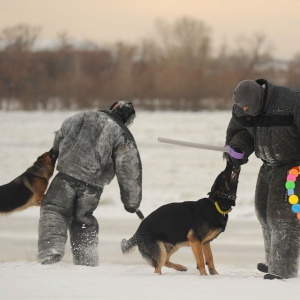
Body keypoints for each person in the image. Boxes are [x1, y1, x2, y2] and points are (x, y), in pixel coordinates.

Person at [38, 101, 142, 266]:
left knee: (54, 211)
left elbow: (60, 135)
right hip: (92, 187)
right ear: (128, 119)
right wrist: (131, 202)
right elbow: (129, 169)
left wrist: (55, 155)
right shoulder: (123, 135)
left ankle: (51, 253)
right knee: (83, 219)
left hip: (65, 178)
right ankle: (87, 260)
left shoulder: (81, 116)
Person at [224, 79, 300, 280]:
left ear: (259, 98)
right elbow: (241, 132)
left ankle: (283, 269)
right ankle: (274, 260)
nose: (245, 111)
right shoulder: (243, 108)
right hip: (268, 166)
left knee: (282, 216)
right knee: (263, 213)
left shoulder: (292, 101)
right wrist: (238, 149)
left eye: (248, 107)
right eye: (242, 108)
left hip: (294, 166)